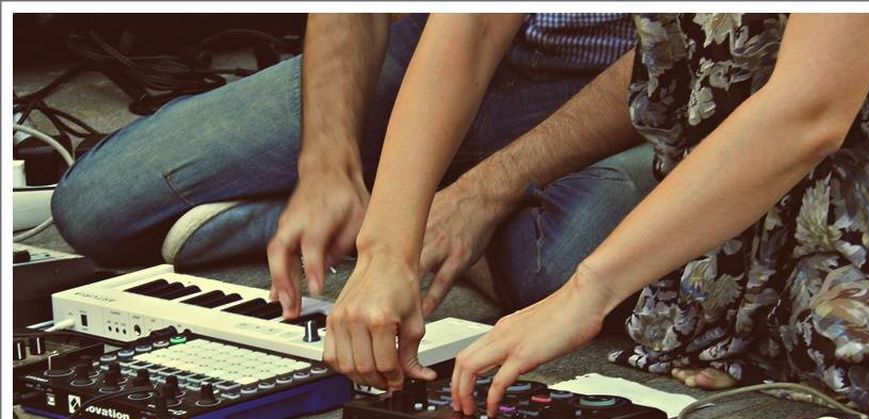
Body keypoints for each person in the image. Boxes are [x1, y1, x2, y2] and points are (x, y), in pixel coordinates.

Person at [327, 13, 869, 417]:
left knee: (859, 351)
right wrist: (386, 252)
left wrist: (585, 293)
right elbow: (477, 22)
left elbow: (813, 106)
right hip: (735, 162)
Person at [51, 13, 652, 325]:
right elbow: (470, 26)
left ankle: (404, 203)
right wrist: (324, 163)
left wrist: (481, 193)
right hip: (444, 43)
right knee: (96, 205)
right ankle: (383, 200)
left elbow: (671, 66)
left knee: (565, 271)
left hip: (622, 90)